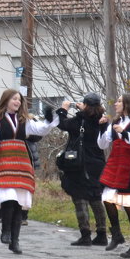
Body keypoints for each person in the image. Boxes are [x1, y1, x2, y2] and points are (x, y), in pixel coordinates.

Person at [0, 89, 57, 255]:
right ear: (6, 100)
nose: (17, 102)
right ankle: (5, 231)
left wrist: (50, 119)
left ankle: (15, 240)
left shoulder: (24, 120)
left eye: (19, 100)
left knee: (18, 203)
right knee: (8, 198)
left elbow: (40, 129)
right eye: (14, 99)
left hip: (21, 162)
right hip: (4, 160)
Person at [98, 93, 130, 258]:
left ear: (128, 104)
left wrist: (125, 133)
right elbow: (102, 143)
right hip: (115, 162)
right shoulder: (115, 122)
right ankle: (117, 233)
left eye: (119, 101)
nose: (116, 104)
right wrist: (101, 127)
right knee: (106, 198)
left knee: (129, 204)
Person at [53, 94, 109, 246]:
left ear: (85, 105)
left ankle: (85, 234)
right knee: (96, 197)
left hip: (80, 164)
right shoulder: (102, 120)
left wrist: (63, 109)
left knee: (80, 197)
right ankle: (102, 233)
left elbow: (63, 124)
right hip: (97, 164)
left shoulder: (80, 120)